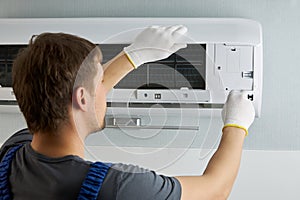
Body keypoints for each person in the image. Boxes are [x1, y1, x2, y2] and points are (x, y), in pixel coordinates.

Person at [0, 25, 255, 200]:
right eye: (100, 83)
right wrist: (236, 124)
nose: (105, 90)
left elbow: (72, 96)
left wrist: (133, 56)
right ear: (82, 97)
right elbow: (216, 190)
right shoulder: (118, 187)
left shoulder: (10, 154)